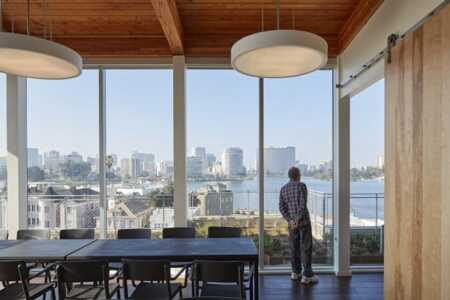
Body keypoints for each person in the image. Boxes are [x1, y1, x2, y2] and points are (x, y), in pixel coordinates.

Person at [279, 166, 319, 284]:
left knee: (294, 247)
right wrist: (297, 219)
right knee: (306, 247)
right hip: (304, 222)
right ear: (298, 175)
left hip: (292, 224)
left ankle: (295, 273)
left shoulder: (283, 189)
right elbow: (302, 205)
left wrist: (290, 220)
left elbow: (282, 208)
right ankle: (307, 276)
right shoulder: (301, 186)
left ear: (289, 176)